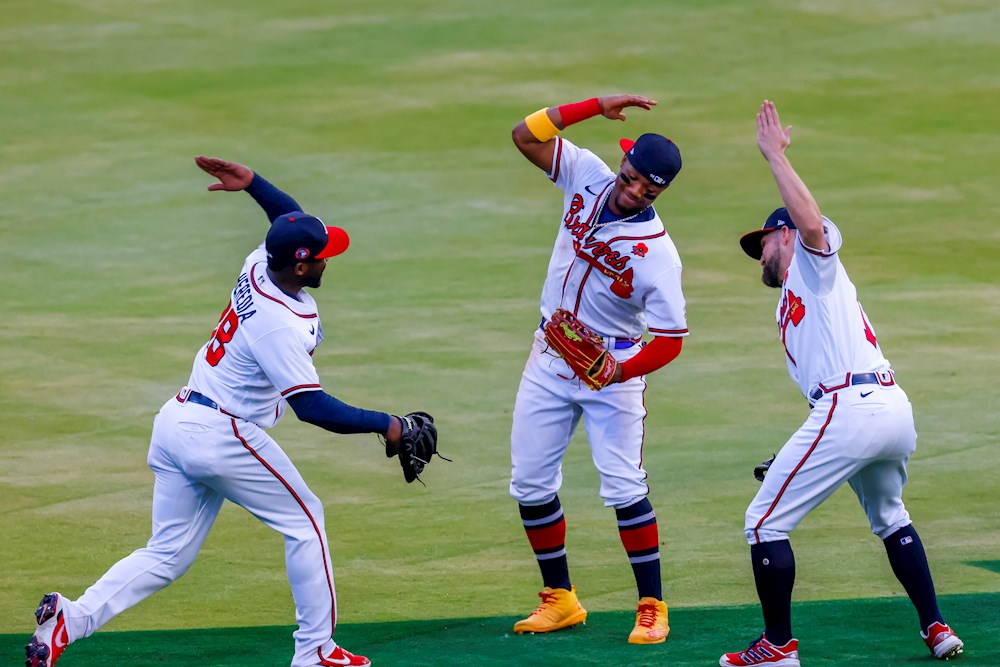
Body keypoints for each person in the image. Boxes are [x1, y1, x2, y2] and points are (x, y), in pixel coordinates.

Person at [25, 156, 429, 667]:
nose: (330, 260)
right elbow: (311, 407)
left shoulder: (263, 262)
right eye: (322, 256)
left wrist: (255, 185)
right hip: (221, 435)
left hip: (177, 421)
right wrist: (388, 424)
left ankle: (70, 618)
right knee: (306, 522)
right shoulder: (278, 324)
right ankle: (316, 651)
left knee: (167, 554)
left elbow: (290, 218)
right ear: (300, 266)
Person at [720, 101, 964, 666]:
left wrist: (774, 157)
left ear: (783, 237)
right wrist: (793, 452)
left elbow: (809, 221)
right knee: (890, 517)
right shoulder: (794, 300)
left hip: (853, 409)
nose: (761, 252)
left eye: (765, 242)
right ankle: (935, 627)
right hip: (884, 411)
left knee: (763, 522)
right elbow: (823, 398)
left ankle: (777, 647)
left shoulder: (813, 262)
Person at [508, 94, 688, 645]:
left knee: (624, 487)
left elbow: (672, 341)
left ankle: (652, 605)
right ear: (623, 159)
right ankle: (560, 599)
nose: (634, 192)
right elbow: (524, 134)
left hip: (614, 369)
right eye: (631, 178)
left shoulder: (659, 255)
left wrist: (617, 371)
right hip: (550, 354)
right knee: (530, 483)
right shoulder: (588, 174)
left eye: (648, 190)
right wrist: (594, 105)